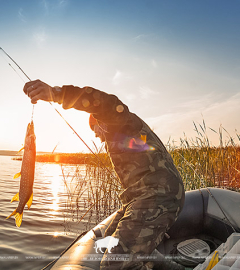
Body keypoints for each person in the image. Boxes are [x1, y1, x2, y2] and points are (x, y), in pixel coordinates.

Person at [23, 80, 185, 270]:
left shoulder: (121, 119)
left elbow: (101, 101)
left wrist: (55, 93)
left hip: (159, 196)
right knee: (107, 240)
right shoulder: (121, 135)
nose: (96, 135)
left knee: (114, 263)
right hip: (142, 196)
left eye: (94, 129)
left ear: (101, 120)